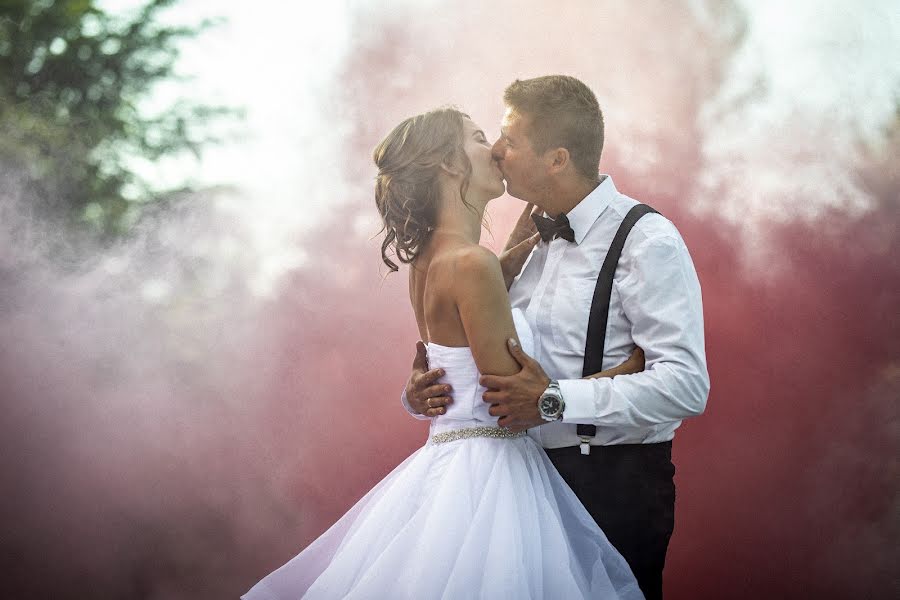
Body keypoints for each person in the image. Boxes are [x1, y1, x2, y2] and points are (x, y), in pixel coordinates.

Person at [242, 107, 646, 599]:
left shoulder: (431, 262)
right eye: (479, 138)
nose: (495, 148)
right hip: (491, 475)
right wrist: (621, 373)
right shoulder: (470, 264)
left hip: (447, 461)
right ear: (450, 166)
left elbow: (473, 319)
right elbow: (513, 404)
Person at [403, 76, 710, 600]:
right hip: (522, 485)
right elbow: (479, 360)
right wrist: (424, 390)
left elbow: (686, 386)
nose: (497, 151)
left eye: (510, 140)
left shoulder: (645, 240)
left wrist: (554, 400)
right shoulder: (523, 245)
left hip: (612, 487)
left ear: (557, 159)